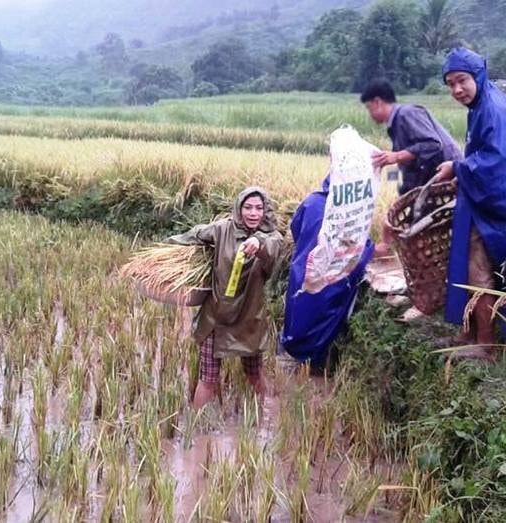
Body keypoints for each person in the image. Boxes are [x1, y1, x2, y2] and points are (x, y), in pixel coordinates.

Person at [433, 47, 506, 360]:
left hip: (493, 205)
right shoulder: (481, 105)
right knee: (482, 267)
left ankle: (487, 346)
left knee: (480, 270)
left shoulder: (492, 109)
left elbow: (494, 163)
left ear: (478, 75)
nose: (456, 89)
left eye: (461, 80)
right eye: (450, 84)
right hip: (488, 197)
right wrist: (463, 173)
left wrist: (458, 168)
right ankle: (477, 332)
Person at [167, 187, 283, 409]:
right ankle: (195, 427)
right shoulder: (223, 229)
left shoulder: (272, 237)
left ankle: (268, 418)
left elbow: (271, 246)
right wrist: (168, 245)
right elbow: (196, 233)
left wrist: (257, 243)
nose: (253, 213)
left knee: (255, 374)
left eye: (259, 208)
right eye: (247, 207)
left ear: (265, 210)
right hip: (216, 317)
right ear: (239, 209)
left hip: (249, 318)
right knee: (208, 378)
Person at [361, 78, 462, 255]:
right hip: (430, 187)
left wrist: (396, 156)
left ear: (377, 102)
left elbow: (432, 144)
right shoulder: (395, 126)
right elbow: (405, 166)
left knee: (438, 237)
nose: (370, 115)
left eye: (369, 108)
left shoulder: (407, 113)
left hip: (448, 181)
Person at [280, 176, 374, 367]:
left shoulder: (312, 201)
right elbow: (358, 248)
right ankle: (315, 363)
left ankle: (292, 352)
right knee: (323, 317)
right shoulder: (353, 211)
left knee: (299, 310)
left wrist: (307, 249)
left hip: (305, 267)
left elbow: (296, 227)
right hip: (333, 276)